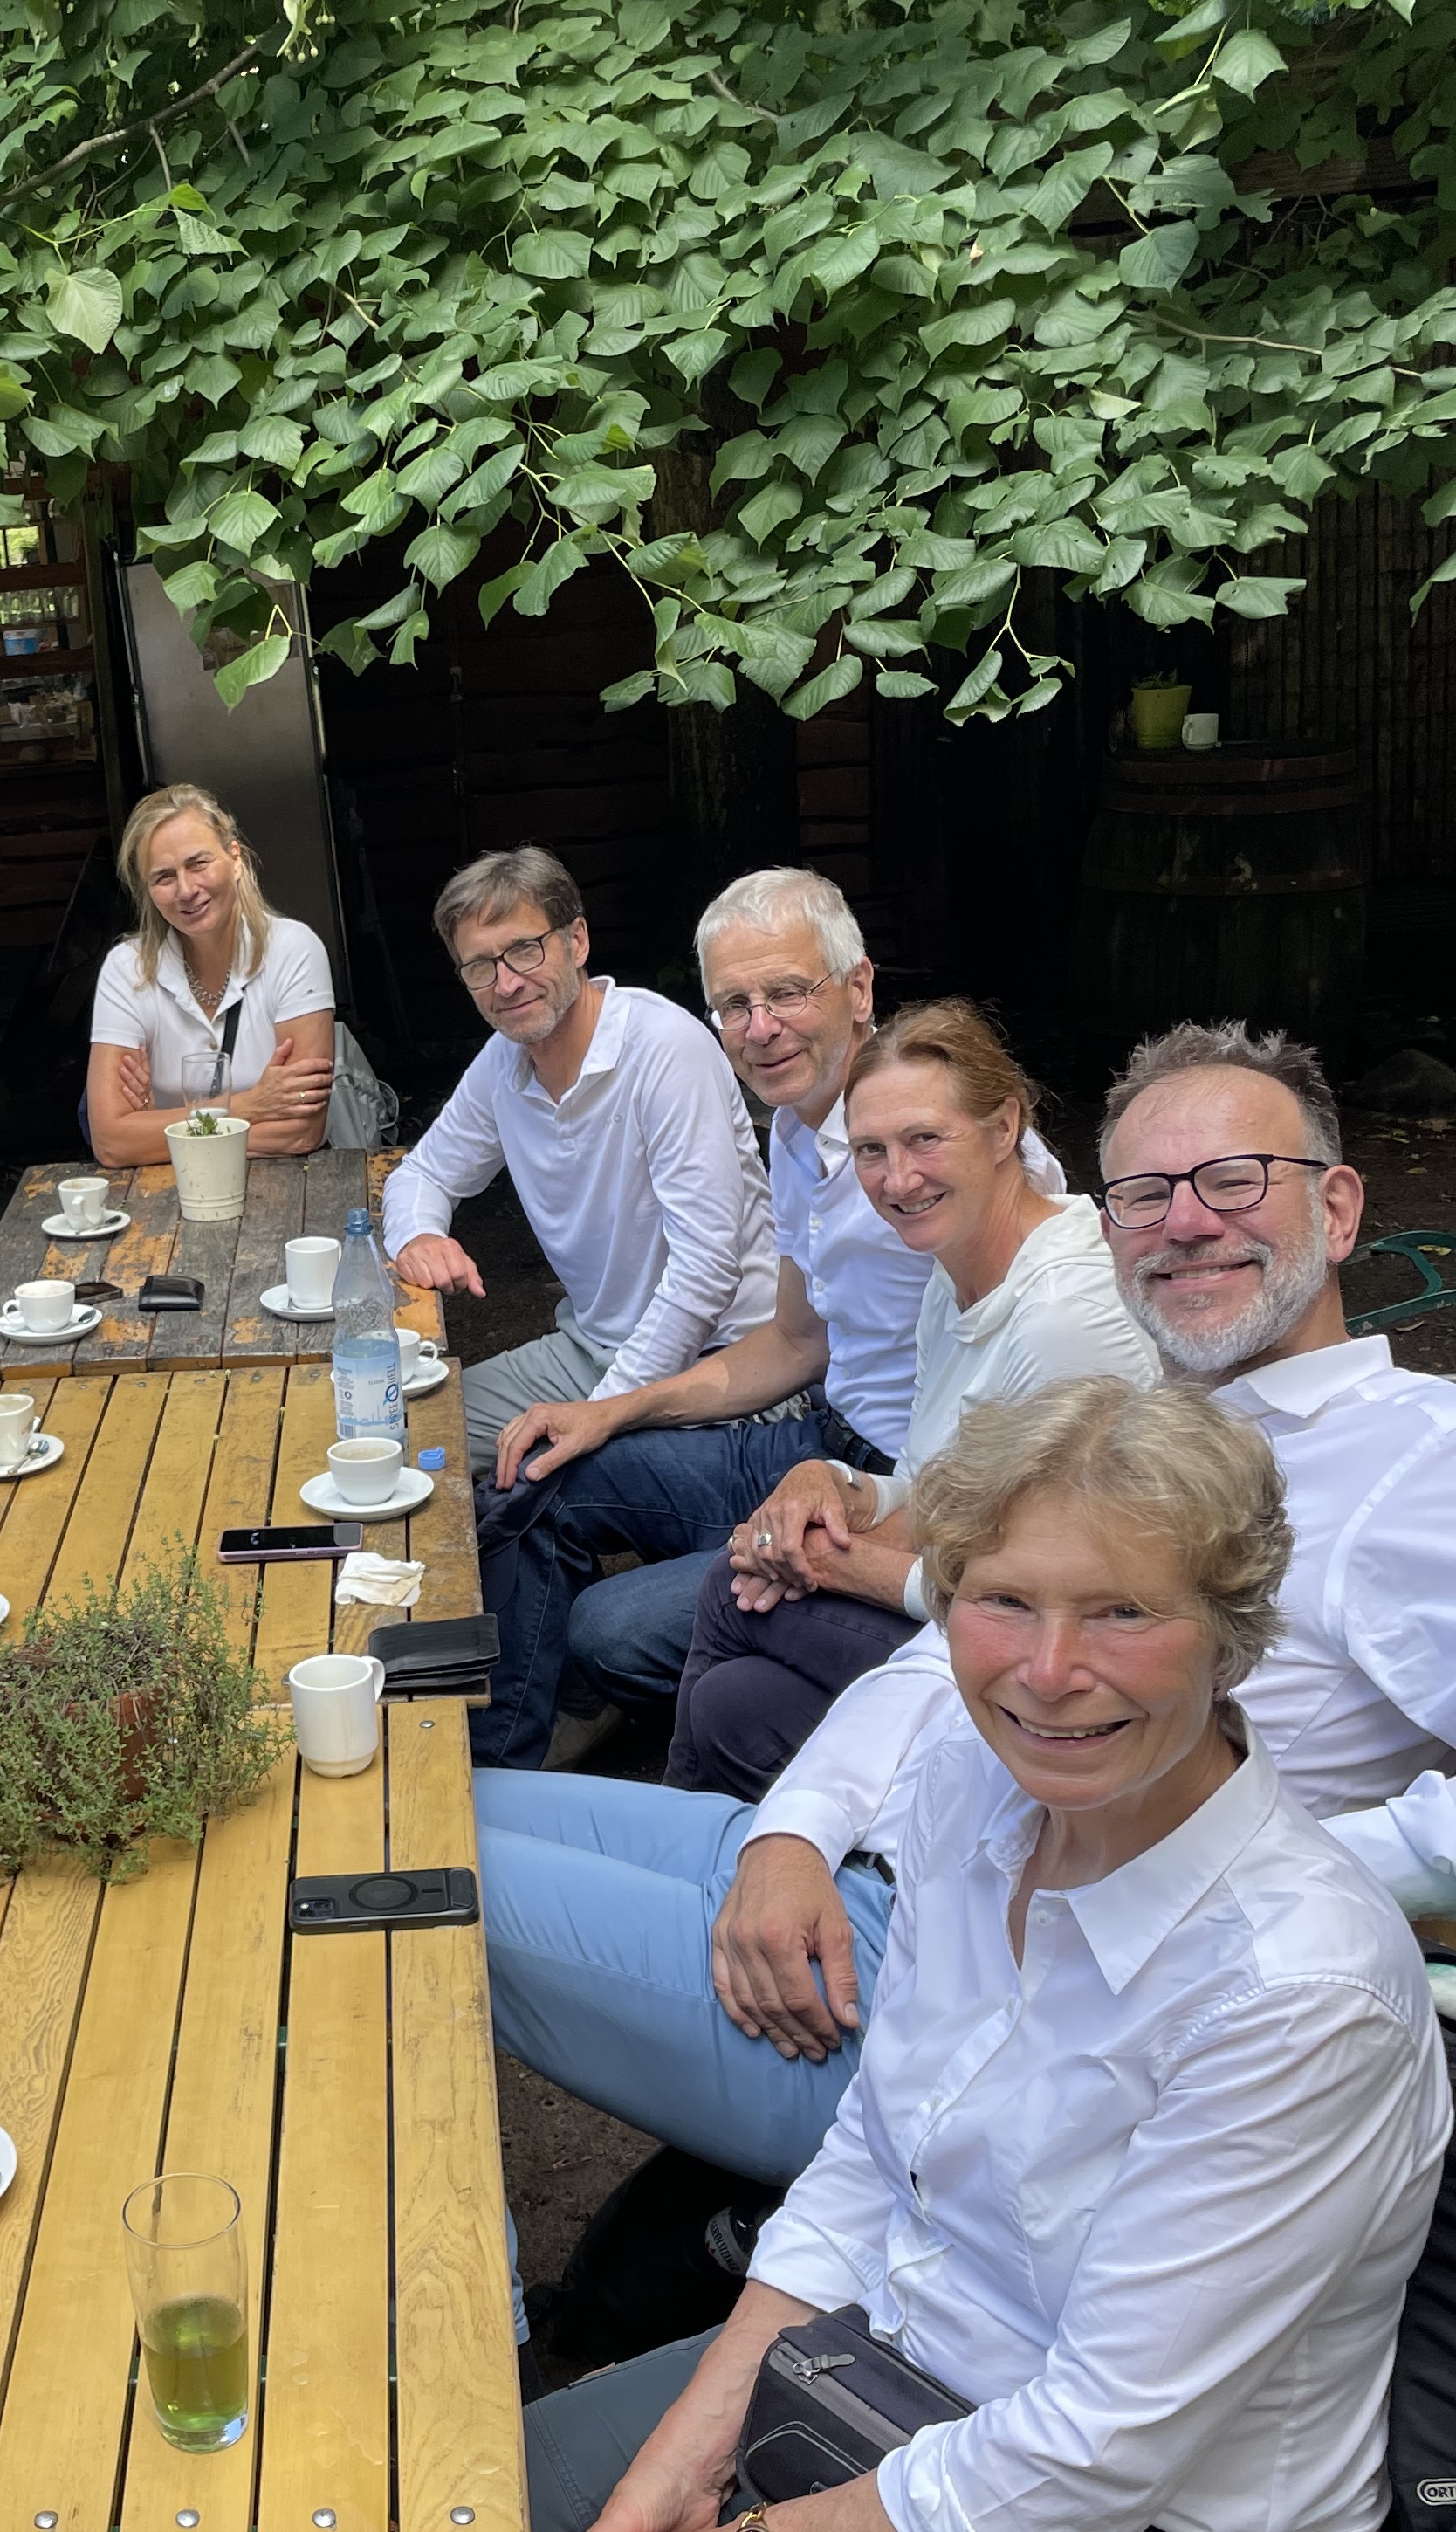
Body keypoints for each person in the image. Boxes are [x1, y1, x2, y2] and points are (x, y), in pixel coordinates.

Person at [464, 1377, 1447, 2532]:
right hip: (890, 2392)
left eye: (1122, 1612)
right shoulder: (986, 1801)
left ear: (1231, 1631)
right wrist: (700, 2431)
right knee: (441, 2527)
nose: (1047, 1670)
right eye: (1004, 1598)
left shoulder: (1295, 1992)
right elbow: (869, 2162)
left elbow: (1081, 2470)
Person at [473, 1017, 1456, 2188]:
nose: (1187, 1222)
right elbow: (945, 1653)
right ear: (1109, 1228)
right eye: (1145, 1194)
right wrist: (792, 1834)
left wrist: (1255, 1878)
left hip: (967, 1996)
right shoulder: (1146, 1431)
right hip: (864, 1864)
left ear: (1338, 1211)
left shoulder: (1414, 1467)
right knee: (423, 1811)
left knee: (384, 1890)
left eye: (1235, 1182)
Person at [473, 869, 923, 1765]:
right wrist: (610, 1411)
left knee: (612, 1628)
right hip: (822, 1434)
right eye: (735, 1005)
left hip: (903, 1487)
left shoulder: (926, 1144)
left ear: (860, 986)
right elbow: (796, 1340)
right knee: (534, 1477)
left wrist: (861, 1513)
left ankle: (651, 1719)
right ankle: (501, 1764)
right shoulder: (797, 1129)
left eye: (789, 992)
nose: (760, 1028)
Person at [662, 1000, 1153, 1793]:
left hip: (1055, 1674)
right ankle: (817, 1879)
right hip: (968, 1610)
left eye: (926, 1139)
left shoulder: (1065, 1313)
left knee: (730, 1591)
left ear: (1004, 1130)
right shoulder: (953, 1269)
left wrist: (829, 1564)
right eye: (870, 1150)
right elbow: (939, 1491)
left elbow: (1043, 1594)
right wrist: (836, 1486)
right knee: (735, 1703)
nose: (898, 1179)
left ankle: (672, 1852)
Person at [385, 850, 777, 1478]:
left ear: (577, 939)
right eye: (480, 966)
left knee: (540, 1485)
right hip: (589, 1351)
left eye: (524, 950)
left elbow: (707, 1271)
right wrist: (420, 1233)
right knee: (401, 1432)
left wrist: (602, 1412)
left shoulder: (663, 1048)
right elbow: (421, 1174)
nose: (506, 982)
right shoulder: (503, 1062)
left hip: (719, 1371)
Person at [84, 782, 335, 1164]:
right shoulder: (127, 970)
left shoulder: (294, 950)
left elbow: (302, 1132)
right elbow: (111, 1142)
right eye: (164, 877)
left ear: (235, 859)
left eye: (198, 863)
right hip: (167, 1193)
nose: (186, 889)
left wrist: (157, 1128)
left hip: (286, 1184)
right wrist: (253, 1104)